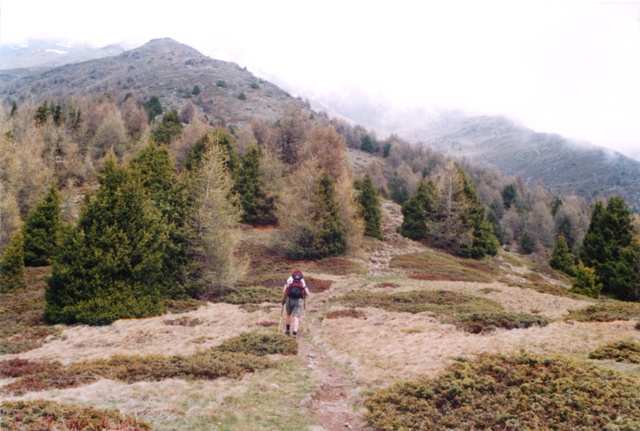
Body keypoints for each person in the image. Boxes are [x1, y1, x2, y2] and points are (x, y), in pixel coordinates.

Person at [281, 269, 310, 338]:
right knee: (296, 317)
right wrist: (304, 295)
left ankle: (287, 331)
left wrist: (283, 299)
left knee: (288, 314)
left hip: (289, 299)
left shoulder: (290, 279)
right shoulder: (302, 280)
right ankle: (294, 333)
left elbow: (284, 290)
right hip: (298, 300)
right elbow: (308, 293)